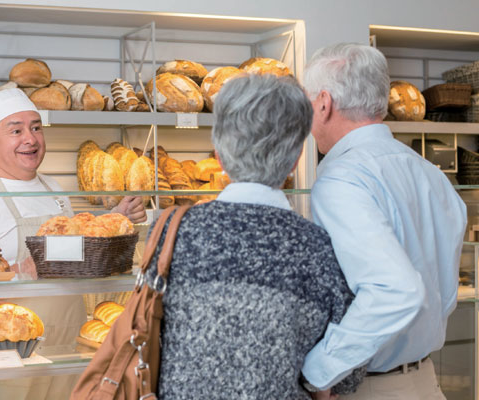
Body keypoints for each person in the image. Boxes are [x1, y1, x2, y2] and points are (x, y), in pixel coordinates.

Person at [144, 74, 365, 399]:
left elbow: (150, 335)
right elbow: (347, 373)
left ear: (218, 156)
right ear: (294, 160)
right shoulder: (317, 247)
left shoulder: (171, 230)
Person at [0, 88, 146, 400]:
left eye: (36, 127)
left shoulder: (54, 189)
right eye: (16, 130)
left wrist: (112, 220)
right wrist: (19, 273)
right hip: (11, 360)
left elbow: (72, 254)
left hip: (69, 352)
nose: (31, 139)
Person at [300, 43, 467, 400]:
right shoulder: (430, 174)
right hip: (425, 381)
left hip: (370, 387)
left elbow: (394, 290)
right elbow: (444, 294)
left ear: (325, 103)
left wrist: (319, 371)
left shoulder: (341, 179)